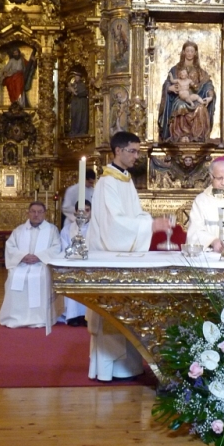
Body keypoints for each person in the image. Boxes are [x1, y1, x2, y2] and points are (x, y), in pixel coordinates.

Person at [85, 131, 171, 381]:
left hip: (125, 253)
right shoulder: (107, 182)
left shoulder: (124, 179)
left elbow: (135, 214)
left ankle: (129, 365)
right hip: (111, 254)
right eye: (132, 151)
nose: (136, 156)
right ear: (118, 151)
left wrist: (149, 221)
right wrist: (149, 226)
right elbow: (115, 225)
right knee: (113, 311)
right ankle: (109, 368)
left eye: (137, 151)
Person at [0, 201, 62, 329]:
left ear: (45, 214)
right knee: (14, 277)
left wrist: (39, 256)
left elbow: (56, 247)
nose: (36, 215)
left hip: (42, 265)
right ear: (28, 213)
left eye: (39, 212)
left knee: (42, 277)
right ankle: (16, 316)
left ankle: (41, 317)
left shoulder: (52, 230)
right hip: (22, 264)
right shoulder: (19, 230)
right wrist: (22, 256)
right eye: (33, 211)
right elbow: (10, 246)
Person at [158, 41, 215, 143]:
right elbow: (168, 83)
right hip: (180, 98)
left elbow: (208, 84)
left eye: (192, 51)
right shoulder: (175, 69)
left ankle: (197, 136)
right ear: (184, 52)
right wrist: (169, 88)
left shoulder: (199, 71)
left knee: (201, 109)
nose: (189, 53)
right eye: (187, 51)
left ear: (195, 53)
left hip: (193, 97)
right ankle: (180, 135)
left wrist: (210, 96)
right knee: (181, 106)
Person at [59, 200, 91, 326]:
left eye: (87, 211)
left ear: (91, 212)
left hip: (91, 265)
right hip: (72, 265)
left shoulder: (97, 229)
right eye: (81, 211)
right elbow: (64, 248)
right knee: (71, 278)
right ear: (75, 212)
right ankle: (73, 315)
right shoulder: (67, 229)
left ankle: (88, 316)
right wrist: (76, 257)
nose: (84, 214)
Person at [67, 72, 89, 136]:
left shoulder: (82, 85)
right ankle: (73, 131)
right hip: (74, 103)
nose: (76, 78)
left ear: (80, 78)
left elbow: (84, 93)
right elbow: (68, 94)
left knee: (80, 116)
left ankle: (81, 131)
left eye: (78, 77)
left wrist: (76, 93)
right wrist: (70, 91)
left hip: (81, 104)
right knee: (74, 116)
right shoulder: (72, 85)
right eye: (75, 77)